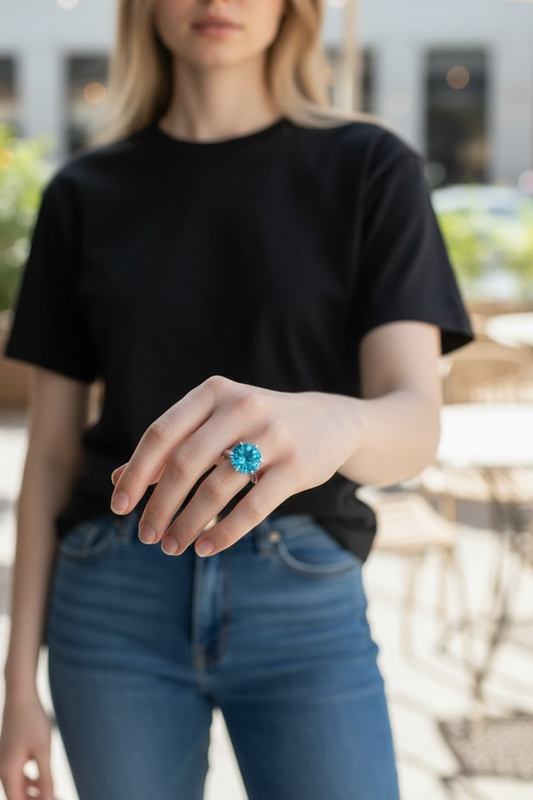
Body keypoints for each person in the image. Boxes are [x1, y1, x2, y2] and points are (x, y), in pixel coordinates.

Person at [0, 1, 473, 798]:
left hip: (300, 593)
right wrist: (18, 688)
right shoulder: (84, 193)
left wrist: (340, 418)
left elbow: (415, 416)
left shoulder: (370, 168)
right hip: (110, 597)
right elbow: (48, 456)